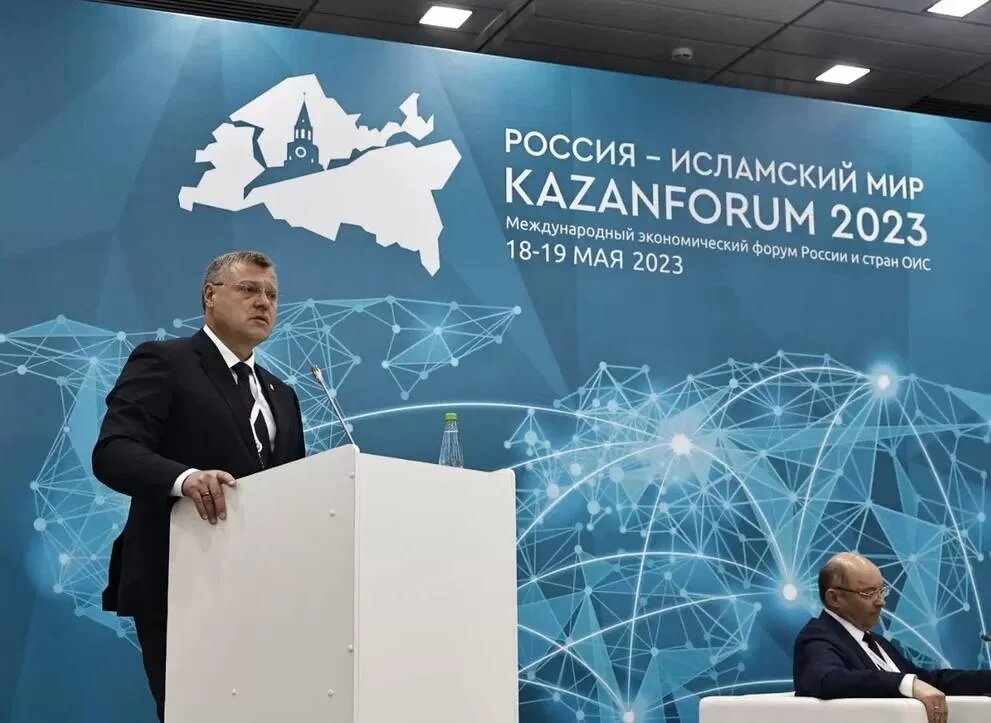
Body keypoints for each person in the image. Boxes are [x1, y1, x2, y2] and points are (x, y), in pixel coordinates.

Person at [92, 250, 306, 721]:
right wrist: (185, 479)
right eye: (248, 289)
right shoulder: (165, 361)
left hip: (265, 591)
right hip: (182, 581)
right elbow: (113, 452)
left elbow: (298, 487)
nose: (263, 302)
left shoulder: (283, 394)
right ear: (210, 296)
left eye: (272, 295)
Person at [795, 552, 991, 723]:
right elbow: (829, 679)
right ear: (834, 598)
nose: (881, 602)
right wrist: (905, 684)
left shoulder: (876, 642)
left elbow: (930, 681)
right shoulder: (817, 637)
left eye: (881, 590)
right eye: (868, 593)